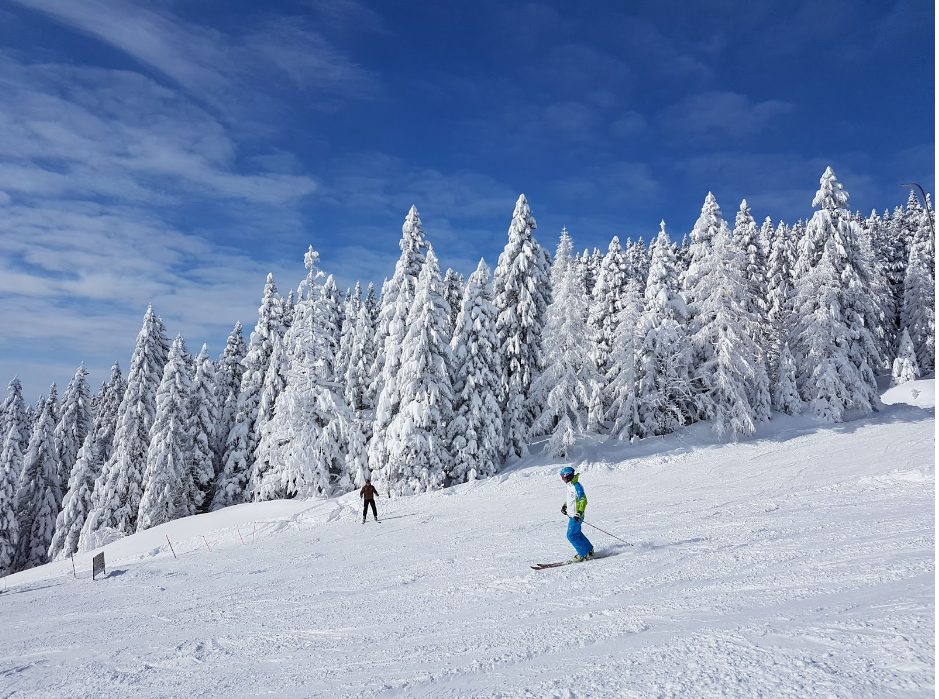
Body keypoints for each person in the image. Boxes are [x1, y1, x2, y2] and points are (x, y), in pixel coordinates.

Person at [559, 466, 593, 561]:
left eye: (563, 477)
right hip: (572, 515)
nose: (563, 479)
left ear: (569, 476)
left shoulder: (577, 486)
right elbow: (571, 498)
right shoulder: (570, 485)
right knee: (577, 534)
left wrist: (579, 512)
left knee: (571, 535)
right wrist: (565, 506)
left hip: (576, 516)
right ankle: (589, 550)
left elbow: (583, 500)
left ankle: (582, 554)